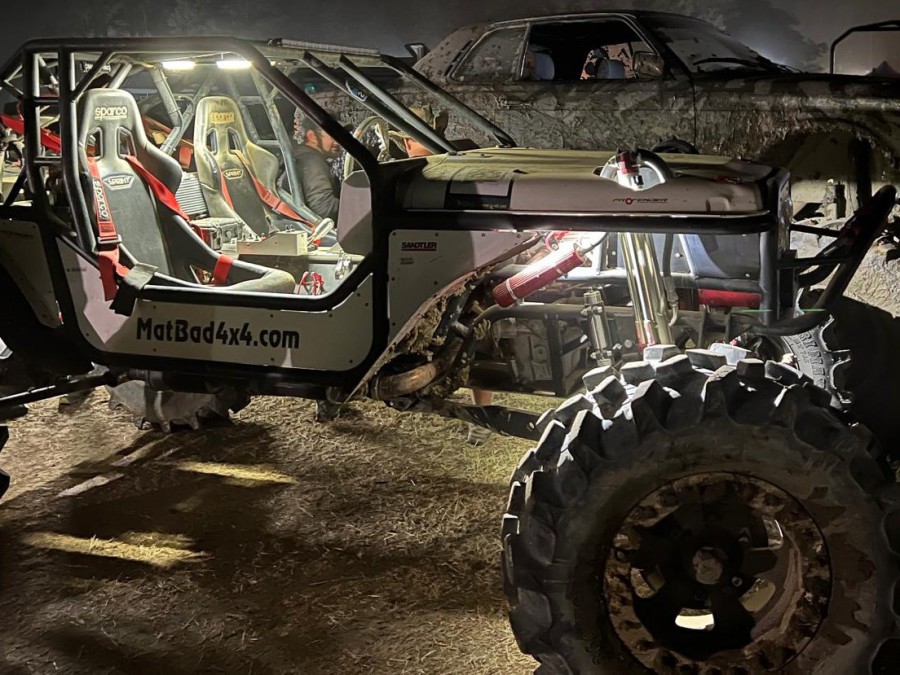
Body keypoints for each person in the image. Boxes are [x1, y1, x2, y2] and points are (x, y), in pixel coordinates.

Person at [292, 110, 342, 223]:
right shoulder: (312, 162)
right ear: (312, 136)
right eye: (332, 135)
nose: (338, 141)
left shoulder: (301, 156)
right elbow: (324, 208)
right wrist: (359, 206)